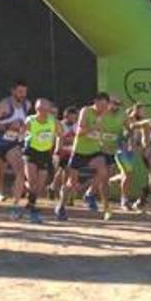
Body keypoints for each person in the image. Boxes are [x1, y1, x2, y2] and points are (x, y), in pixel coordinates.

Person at [54, 93, 112, 221]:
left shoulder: (105, 115)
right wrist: (93, 127)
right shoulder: (86, 111)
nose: (103, 109)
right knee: (71, 182)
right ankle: (61, 206)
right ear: (95, 102)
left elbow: (100, 134)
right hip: (79, 151)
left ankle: (91, 195)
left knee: (104, 172)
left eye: (105, 106)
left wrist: (103, 144)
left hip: (95, 151)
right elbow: (79, 132)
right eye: (101, 105)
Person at [0, 80, 31, 219]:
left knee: (21, 172)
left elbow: (23, 124)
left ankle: (15, 206)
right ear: (13, 91)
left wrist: (23, 129)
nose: (23, 95)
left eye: (25, 92)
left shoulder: (27, 105)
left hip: (12, 144)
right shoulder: (5, 104)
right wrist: (7, 126)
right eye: (20, 92)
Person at [23, 98, 60, 224]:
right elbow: (21, 133)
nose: (43, 112)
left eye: (45, 109)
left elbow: (60, 134)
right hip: (31, 152)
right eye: (40, 109)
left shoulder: (53, 121)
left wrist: (57, 149)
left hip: (45, 154)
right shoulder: (30, 120)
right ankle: (32, 204)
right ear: (36, 109)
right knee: (32, 181)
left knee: (40, 184)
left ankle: (31, 201)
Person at [114, 104, 144, 211]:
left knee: (126, 175)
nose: (143, 112)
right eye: (141, 110)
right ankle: (124, 200)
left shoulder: (140, 123)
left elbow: (138, 141)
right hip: (121, 151)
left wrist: (139, 146)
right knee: (128, 175)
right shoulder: (128, 121)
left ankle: (112, 179)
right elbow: (124, 135)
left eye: (143, 110)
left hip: (131, 153)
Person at [50, 106, 78, 200]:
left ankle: (54, 187)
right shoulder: (60, 125)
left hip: (72, 152)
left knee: (65, 171)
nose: (73, 119)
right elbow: (57, 138)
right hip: (61, 151)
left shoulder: (76, 126)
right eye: (71, 117)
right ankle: (63, 191)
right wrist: (57, 150)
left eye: (74, 117)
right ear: (66, 116)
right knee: (65, 170)